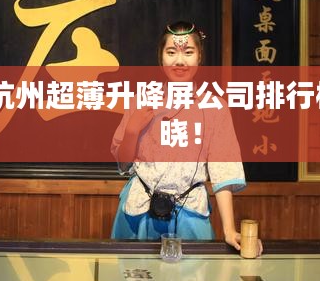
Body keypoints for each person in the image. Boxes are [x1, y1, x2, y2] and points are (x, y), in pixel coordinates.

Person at [110, 20, 262, 255]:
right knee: (134, 278)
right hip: (138, 211)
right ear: (160, 57)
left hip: (190, 213)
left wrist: (229, 230)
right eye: (171, 52)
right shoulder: (141, 101)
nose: (179, 61)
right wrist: (131, 131)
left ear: (200, 56)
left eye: (188, 52)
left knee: (194, 277)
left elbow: (223, 172)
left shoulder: (215, 108)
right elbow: (123, 163)